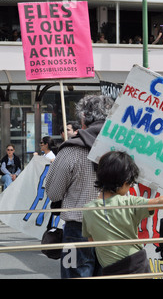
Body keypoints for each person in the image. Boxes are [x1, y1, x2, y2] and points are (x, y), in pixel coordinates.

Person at [82, 151, 163, 276]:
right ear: (124, 182)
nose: (131, 185)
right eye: (130, 182)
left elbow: (91, 239)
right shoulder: (129, 202)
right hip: (135, 265)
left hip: (110, 269)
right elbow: (159, 201)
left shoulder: (88, 209)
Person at [46, 95, 114, 279]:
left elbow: (53, 192)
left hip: (78, 228)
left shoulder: (71, 149)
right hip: (114, 228)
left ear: (83, 118)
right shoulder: (122, 148)